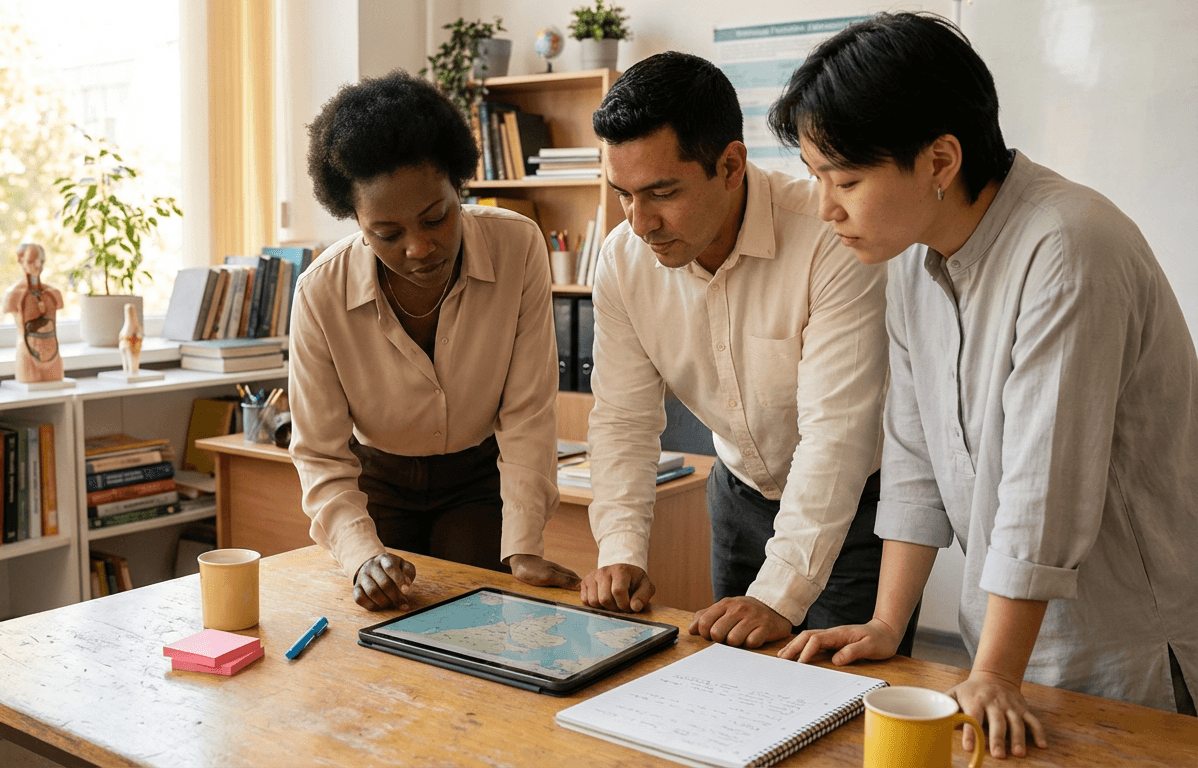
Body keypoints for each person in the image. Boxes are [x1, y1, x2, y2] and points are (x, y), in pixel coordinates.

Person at [768, 11, 1198, 760]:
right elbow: (913, 457)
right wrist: (884, 624)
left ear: (939, 161)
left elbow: (1045, 485)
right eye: (816, 179)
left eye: (846, 180)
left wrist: (997, 669)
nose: (825, 207)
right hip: (999, 654)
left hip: (1124, 649)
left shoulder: (1067, 246)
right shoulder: (909, 257)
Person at [580, 52, 904, 655]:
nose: (640, 221)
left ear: (730, 165)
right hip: (738, 495)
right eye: (622, 193)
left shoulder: (829, 235)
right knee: (735, 686)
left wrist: (780, 594)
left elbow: (835, 434)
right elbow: (623, 418)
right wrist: (620, 550)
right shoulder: (623, 260)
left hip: (857, 505)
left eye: (661, 192)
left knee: (844, 702)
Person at [292, 70, 578, 611]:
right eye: (388, 233)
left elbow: (527, 411)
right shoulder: (319, 292)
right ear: (354, 219)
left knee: (477, 616)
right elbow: (322, 454)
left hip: (475, 479)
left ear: (460, 185)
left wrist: (522, 545)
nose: (419, 248)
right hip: (375, 483)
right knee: (383, 629)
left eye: (436, 218)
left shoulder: (518, 247)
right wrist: (360, 554)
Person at [3, 242, 63, 383]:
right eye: (31, 261)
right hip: (27, 357)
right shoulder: (14, 295)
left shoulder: (53, 294)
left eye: (41, 261)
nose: (37, 266)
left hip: (53, 354)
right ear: (20, 260)